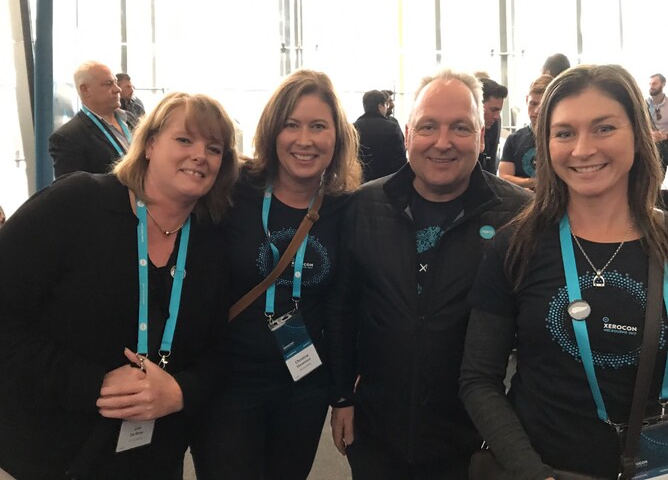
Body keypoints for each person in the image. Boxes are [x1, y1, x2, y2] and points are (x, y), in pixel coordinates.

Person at [0, 92, 239, 479]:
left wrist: (182, 391)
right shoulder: (76, 203)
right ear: (149, 144)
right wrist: (92, 385)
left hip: (153, 455)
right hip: (54, 448)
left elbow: (220, 347)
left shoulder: (211, 241)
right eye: (185, 139)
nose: (200, 155)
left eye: (214, 149)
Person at [460, 64, 668, 479]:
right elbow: (479, 379)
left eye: (604, 128)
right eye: (565, 133)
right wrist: (533, 473)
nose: (583, 149)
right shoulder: (517, 246)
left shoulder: (664, 241)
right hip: (545, 467)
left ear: (637, 133)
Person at [328, 68, 530, 480]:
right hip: (376, 430)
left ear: (481, 136)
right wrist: (342, 396)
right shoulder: (365, 207)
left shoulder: (518, 216)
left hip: (474, 439)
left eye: (460, 127)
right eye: (428, 127)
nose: (442, 142)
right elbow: (342, 310)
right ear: (407, 135)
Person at [191, 69, 362, 480]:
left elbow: (340, 307)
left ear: (336, 136)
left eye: (318, 126)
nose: (305, 140)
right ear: (272, 131)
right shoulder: (233, 190)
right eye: (291, 125)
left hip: (303, 385)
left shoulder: (345, 207)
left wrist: (342, 395)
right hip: (228, 383)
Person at [49, 61, 135, 178]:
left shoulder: (131, 119)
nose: (117, 89)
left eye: (115, 82)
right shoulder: (68, 137)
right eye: (108, 84)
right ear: (85, 89)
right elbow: (72, 187)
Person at [498, 74, 553, 190]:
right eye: (533, 104)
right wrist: (533, 183)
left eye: (543, 106)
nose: (537, 111)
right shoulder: (514, 140)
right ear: (527, 100)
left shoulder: (561, 138)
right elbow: (503, 177)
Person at [354, 89, 407, 182]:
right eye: (386, 104)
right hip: (386, 182)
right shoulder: (392, 127)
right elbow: (400, 159)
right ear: (380, 106)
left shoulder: (354, 127)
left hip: (361, 181)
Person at [479, 78, 508, 174]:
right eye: (493, 110)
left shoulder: (495, 123)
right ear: (478, 105)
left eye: (499, 111)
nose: (497, 116)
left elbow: (491, 164)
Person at [647, 73, 668, 173]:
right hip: (649, 144)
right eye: (650, 84)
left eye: (654, 83)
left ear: (663, 84)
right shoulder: (643, 105)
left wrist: (665, 136)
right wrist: (649, 134)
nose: (651, 86)